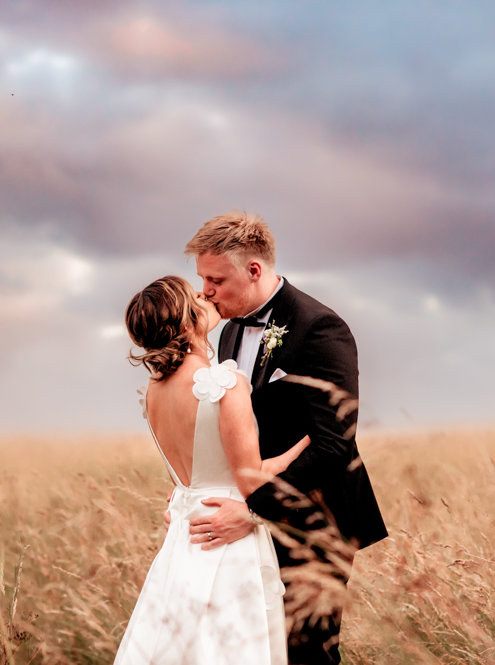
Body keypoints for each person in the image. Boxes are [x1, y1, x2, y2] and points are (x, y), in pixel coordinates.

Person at [182, 211, 388, 664]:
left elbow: (335, 444)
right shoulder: (230, 328)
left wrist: (254, 510)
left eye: (215, 279)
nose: (204, 292)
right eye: (202, 280)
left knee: (307, 654)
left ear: (254, 270)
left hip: (316, 523)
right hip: (250, 517)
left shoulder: (320, 328)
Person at [115, 275, 311, 665]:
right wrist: (306, 444)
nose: (205, 293)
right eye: (195, 294)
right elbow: (250, 479)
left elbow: (184, 476)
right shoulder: (224, 382)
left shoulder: (153, 390)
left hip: (186, 536)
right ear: (186, 320)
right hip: (226, 534)